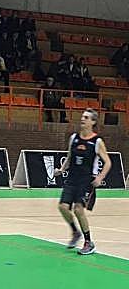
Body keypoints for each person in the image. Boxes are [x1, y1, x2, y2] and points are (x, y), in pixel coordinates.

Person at [54, 108, 111, 255]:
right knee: (62, 207)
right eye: (82, 117)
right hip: (72, 178)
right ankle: (75, 232)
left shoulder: (97, 141)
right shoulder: (74, 138)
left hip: (86, 180)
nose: (82, 119)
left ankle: (88, 242)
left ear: (93, 122)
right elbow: (69, 157)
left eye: (86, 117)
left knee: (78, 209)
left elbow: (108, 162)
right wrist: (61, 170)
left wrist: (100, 177)